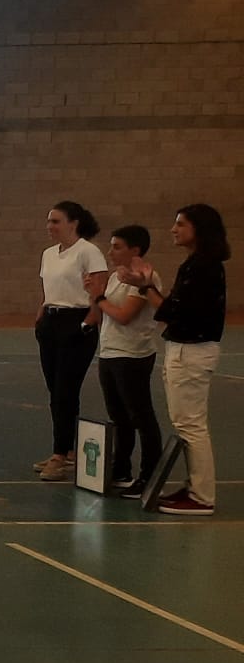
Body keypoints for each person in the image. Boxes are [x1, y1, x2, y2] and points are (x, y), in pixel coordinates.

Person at [123, 204, 227, 516]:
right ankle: (194, 485)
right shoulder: (197, 264)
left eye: (181, 224)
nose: (174, 229)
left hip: (192, 351)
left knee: (191, 425)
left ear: (200, 229)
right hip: (184, 348)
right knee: (186, 424)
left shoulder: (203, 266)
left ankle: (201, 496)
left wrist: (145, 287)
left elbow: (171, 311)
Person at [31, 201, 108, 481]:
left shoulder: (89, 252)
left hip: (76, 323)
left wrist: (88, 324)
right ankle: (69, 450)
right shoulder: (49, 254)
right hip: (51, 323)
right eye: (49, 221)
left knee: (65, 390)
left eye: (56, 221)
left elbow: (98, 294)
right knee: (57, 392)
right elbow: (47, 290)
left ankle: (59, 454)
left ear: (73, 223)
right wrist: (41, 318)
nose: (50, 227)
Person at [94, 225, 163, 499]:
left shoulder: (147, 278)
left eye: (117, 247)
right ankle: (121, 469)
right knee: (118, 416)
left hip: (132, 355)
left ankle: (149, 475)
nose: (110, 252)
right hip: (109, 352)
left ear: (135, 250)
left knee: (141, 416)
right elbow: (108, 315)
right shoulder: (114, 277)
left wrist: (98, 298)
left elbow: (124, 315)